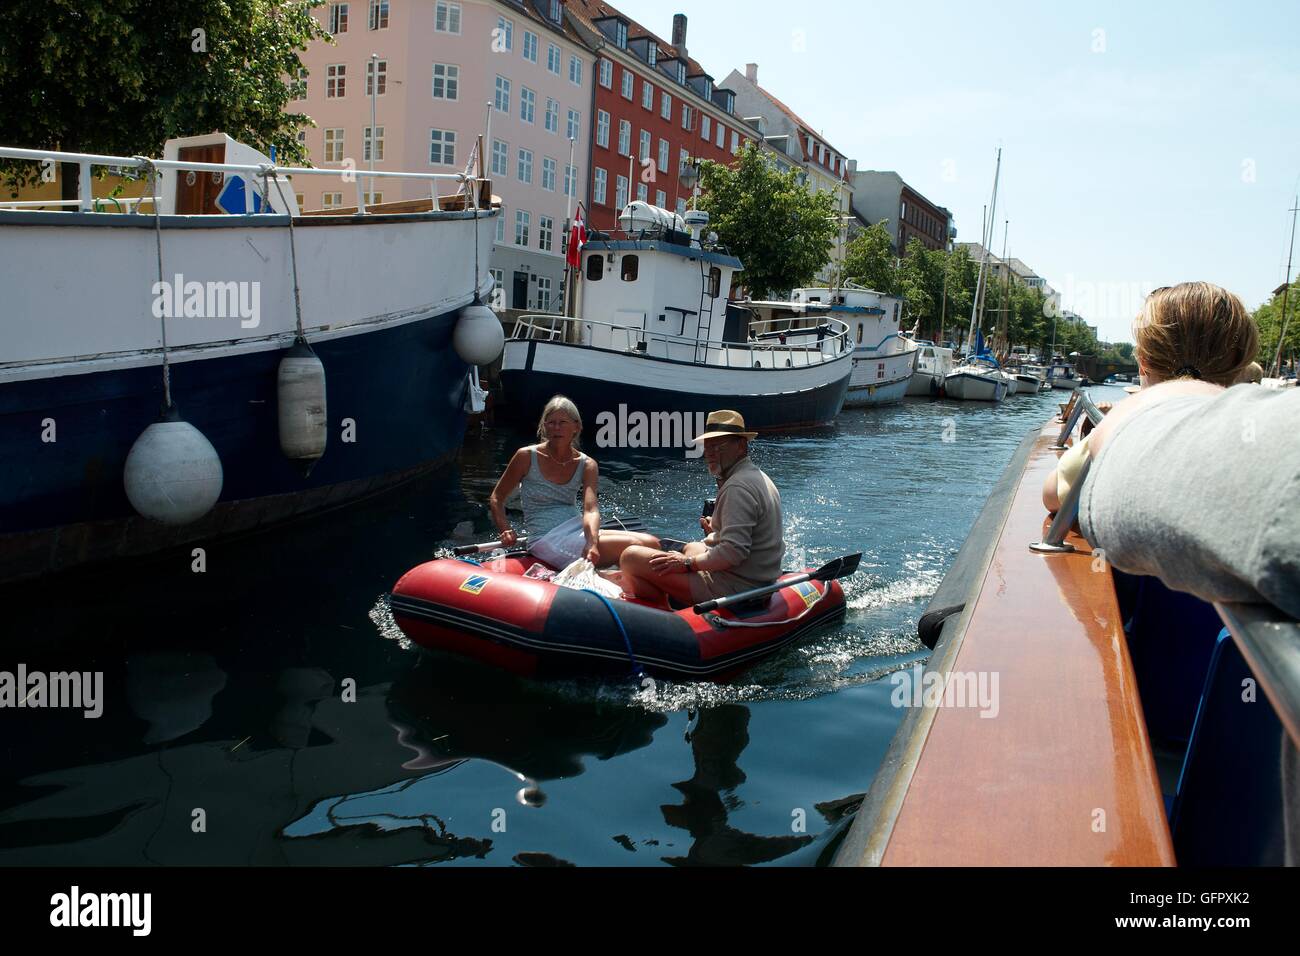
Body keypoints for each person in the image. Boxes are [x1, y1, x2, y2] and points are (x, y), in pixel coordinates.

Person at [1043, 281, 1259, 513]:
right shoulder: (1251, 434)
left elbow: (1051, 496)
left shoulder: (1123, 429)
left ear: (1143, 363)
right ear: (1240, 367)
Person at [619, 410, 784, 606]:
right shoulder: (756, 477)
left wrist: (687, 564)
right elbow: (746, 537)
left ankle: (664, 612)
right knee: (692, 547)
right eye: (707, 446)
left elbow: (733, 553)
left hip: (736, 588)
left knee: (630, 557)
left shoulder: (737, 487)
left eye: (718, 446)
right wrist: (716, 530)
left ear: (741, 446)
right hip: (756, 580)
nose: (710, 453)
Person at [488, 395, 659, 568]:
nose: (556, 428)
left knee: (651, 542)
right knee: (635, 545)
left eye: (562, 422)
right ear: (544, 426)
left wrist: (591, 543)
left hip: (576, 529)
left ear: (576, 427)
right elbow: (497, 497)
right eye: (551, 422)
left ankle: (634, 581)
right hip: (545, 538)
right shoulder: (525, 456)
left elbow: (590, 510)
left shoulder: (587, 464)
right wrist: (505, 528)